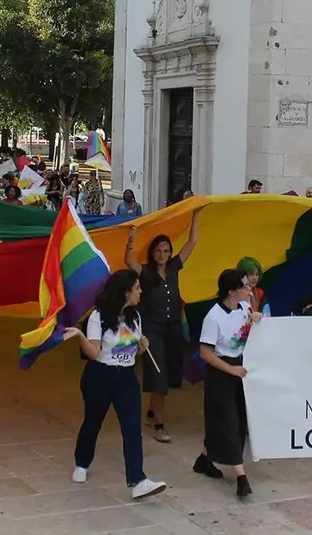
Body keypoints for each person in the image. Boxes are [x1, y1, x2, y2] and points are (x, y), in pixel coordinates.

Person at [63, 270, 167, 500]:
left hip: (126, 377)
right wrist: (80, 337)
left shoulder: (135, 317)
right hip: (100, 376)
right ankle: (82, 462)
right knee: (93, 422)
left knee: (132, 429)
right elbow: (94, 353)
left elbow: (132, 353)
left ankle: (137, 480)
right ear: (126, 291)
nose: (141, 292)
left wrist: (140, 347)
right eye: (137, 288)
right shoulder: (98, 317)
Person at [124, 208, 202, 443]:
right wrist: (131, 236)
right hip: (153, 330)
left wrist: (196, 213)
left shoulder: (174, 268)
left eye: (166, 250)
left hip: (173, 330)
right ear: (152, 252)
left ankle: (151, 413)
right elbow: (128, 260)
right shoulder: (145, 272)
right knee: (158, 376)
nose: (162, 254)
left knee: (167, 375)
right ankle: (159, 424)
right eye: (158, 250)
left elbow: (192, 241)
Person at [195, 269, 263, 500]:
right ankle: (241, 478)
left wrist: (257, 317)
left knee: (235, 419)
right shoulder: (214, 317)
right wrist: (230, 369)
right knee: (228, 422)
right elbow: (205, 352)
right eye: (244, 286)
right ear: (231, 291)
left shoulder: (245, 308)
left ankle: (204, 459)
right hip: (222, 372)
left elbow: (249, 330)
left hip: (240, 369)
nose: (249, 288)